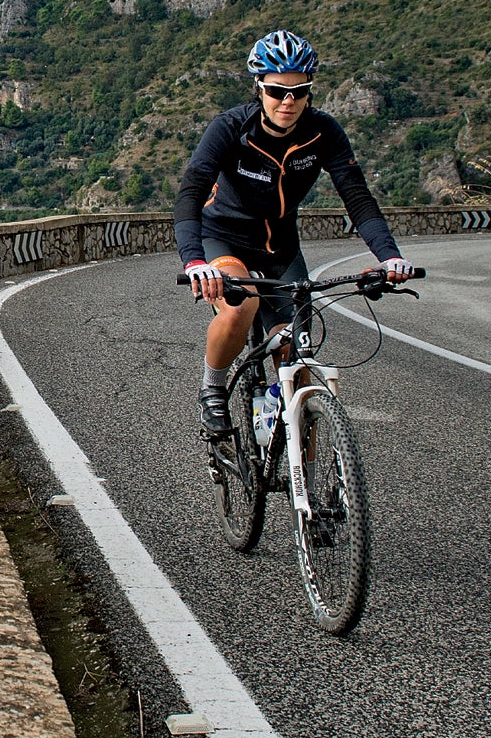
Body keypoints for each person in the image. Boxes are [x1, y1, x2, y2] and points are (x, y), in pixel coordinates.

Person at [177, 29, 413, 440]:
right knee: (241, 307)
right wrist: (195, 261)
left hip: (282, 249)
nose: (287, 101)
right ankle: (212, 391)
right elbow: (191, 191)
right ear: (259, 89)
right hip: (225, 241)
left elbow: (356, 197)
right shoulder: (231, 128)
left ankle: (311, 500)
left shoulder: (323, 132)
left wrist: (389, 256)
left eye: (299, 92)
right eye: (276, 91)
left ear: (309, 93)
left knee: (298, 362)